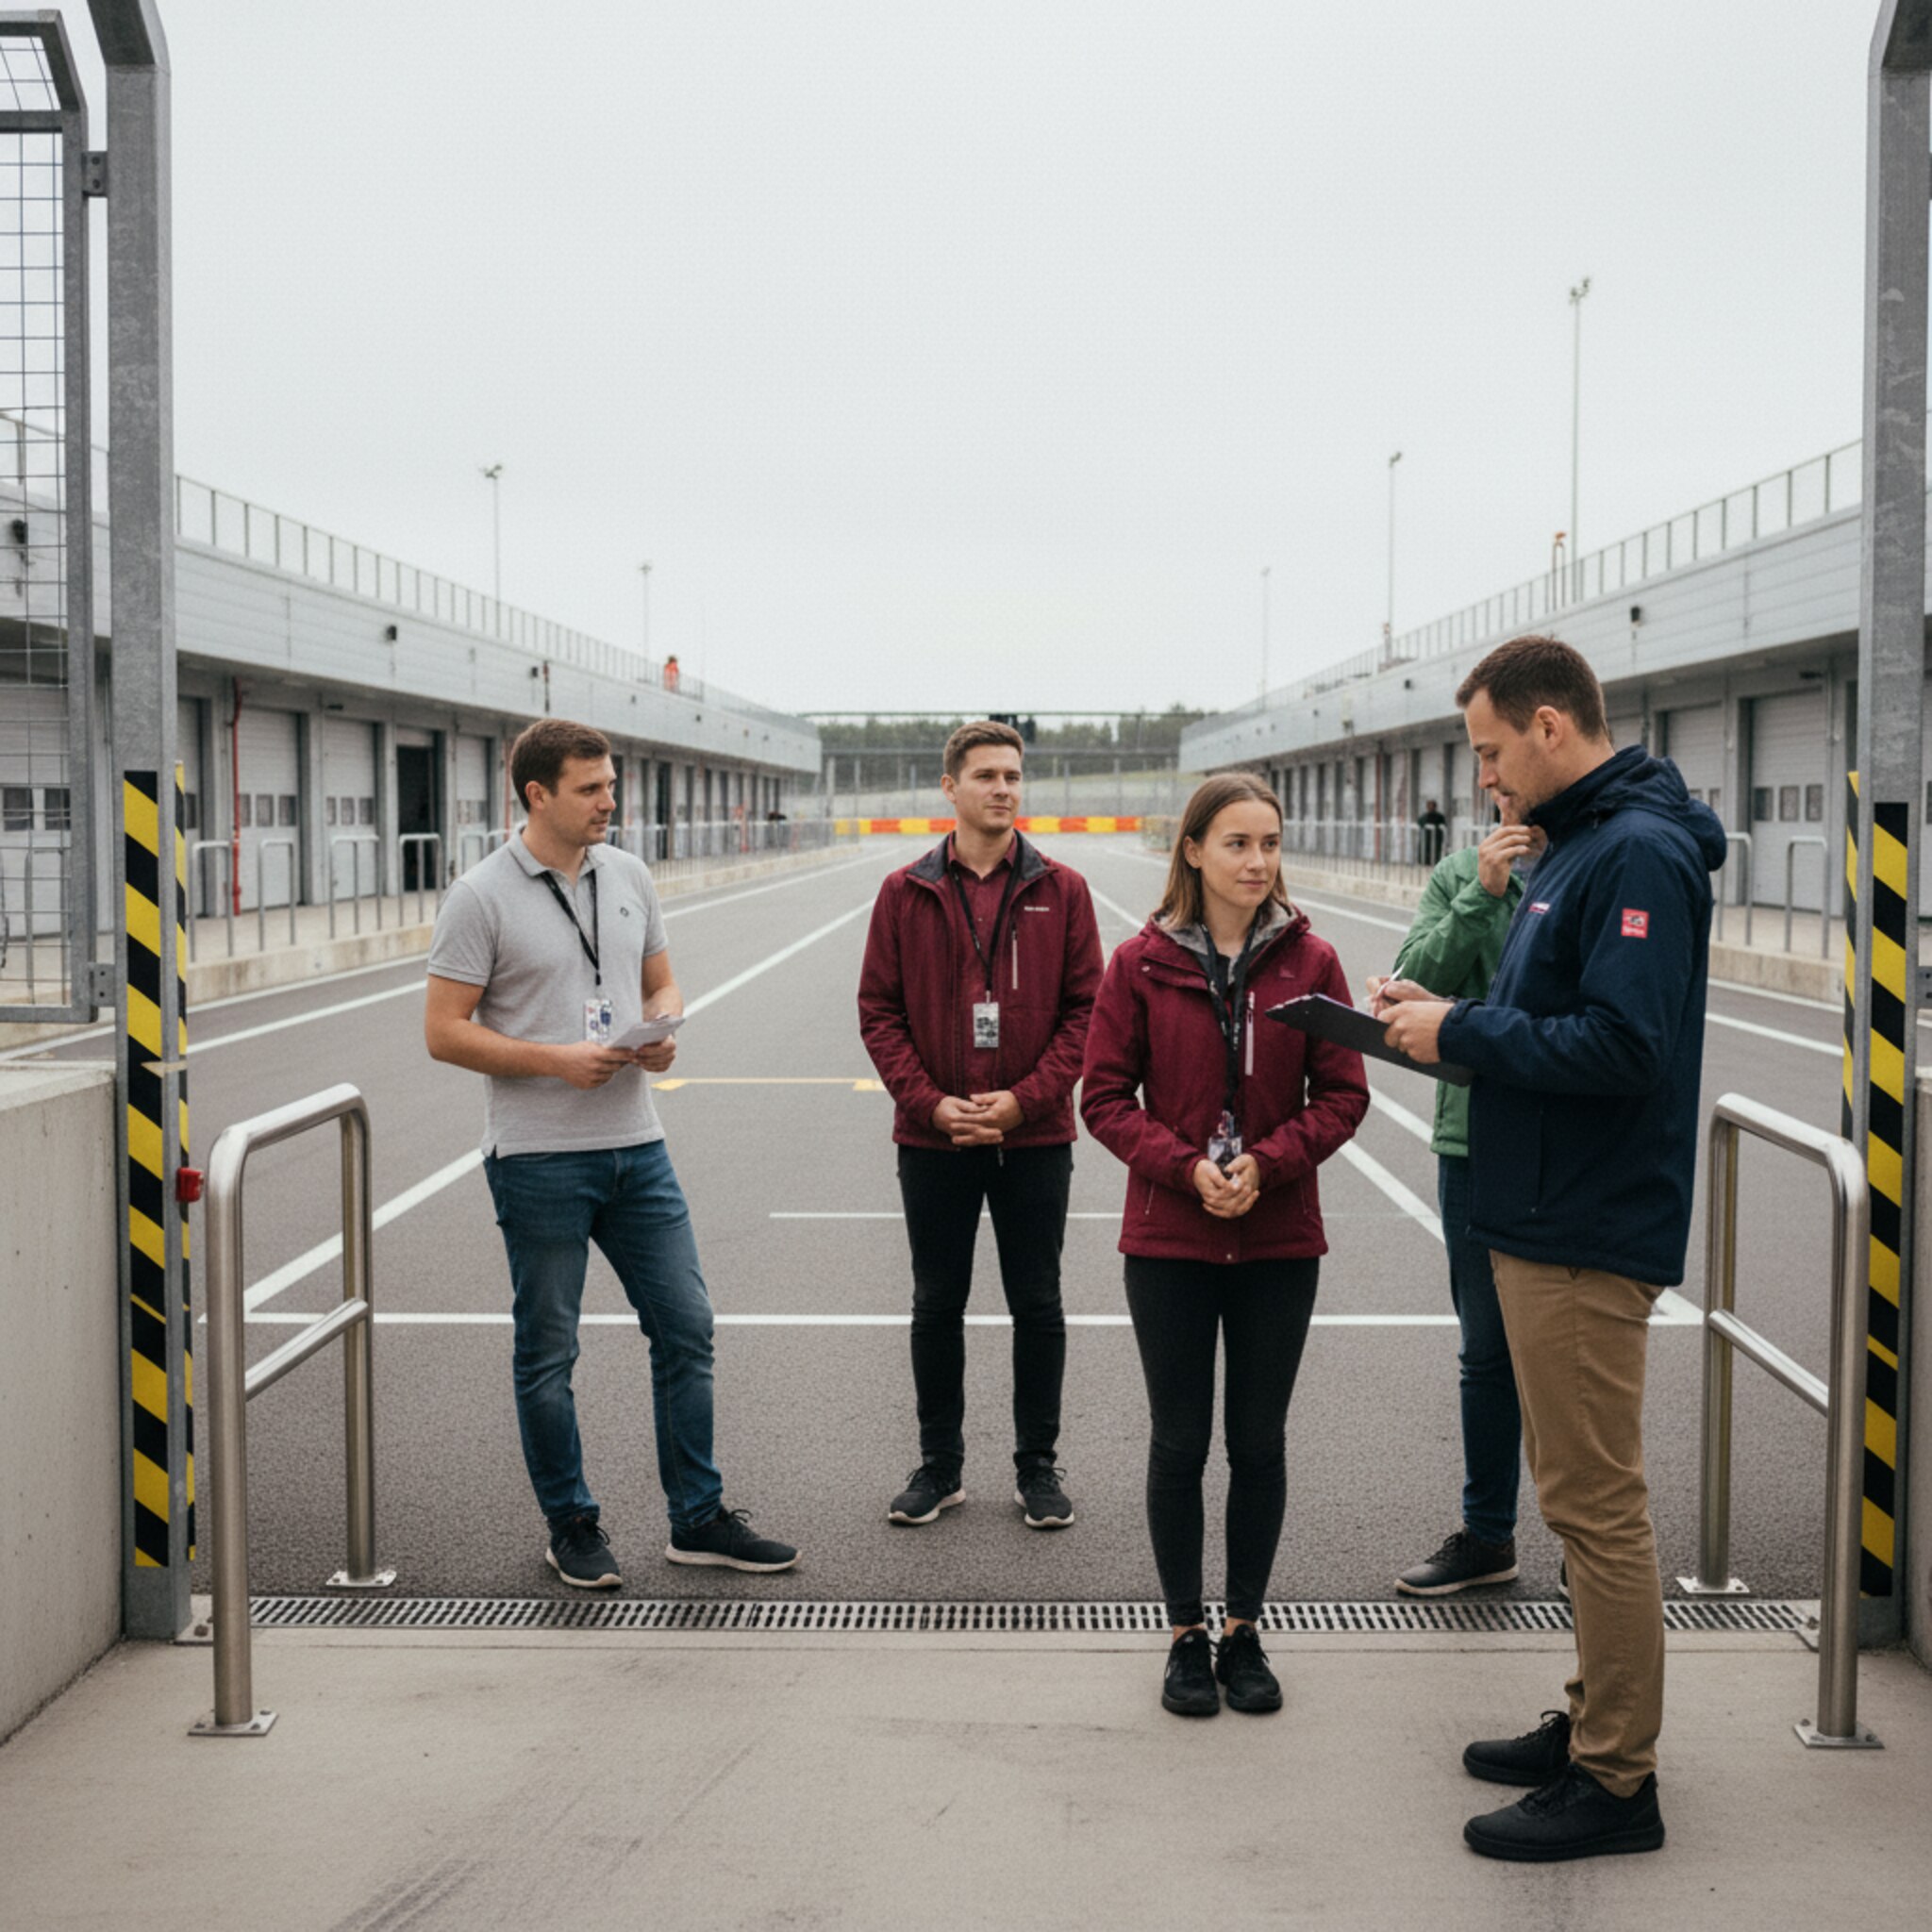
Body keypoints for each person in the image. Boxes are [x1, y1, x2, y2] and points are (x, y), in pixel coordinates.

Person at [1380, 636, 1724, 1862]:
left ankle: (1617, 1781)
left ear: (1547, 725)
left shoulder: (1631, 850)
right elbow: (1556, 1019)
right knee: (1580, 1500)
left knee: (1595, 1507)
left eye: (1486, 752)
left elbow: (1623, 1047)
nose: (1483, 779)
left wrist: (1457, 1030)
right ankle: (1590, 1726)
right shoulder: (1581, 845)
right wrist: (1439, 1024)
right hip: (1541, 1207)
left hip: (1585, 1219)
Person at [424, 718, 800, 1589]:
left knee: (686, 1328)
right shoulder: (479, 896)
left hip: (638, 1146)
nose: (609, 802)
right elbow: (443, 1033)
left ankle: (698, 1518)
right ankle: (572, 1523)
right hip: (538, 1157)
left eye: (612, 785)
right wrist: (557, 1061)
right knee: (549, 1353)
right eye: (591, 789)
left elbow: (660, 977)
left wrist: (664, 1026)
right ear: (538, 795)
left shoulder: (627, 873)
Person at [1081, 774, 1368, 1719]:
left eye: (1269, 843)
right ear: (1193, 849)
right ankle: (1181, 1633)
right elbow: (1103, 1096)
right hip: (1168, 1235)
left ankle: (1243, 1627)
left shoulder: (1311, 960)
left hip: (1278, 1235)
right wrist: (1182, 1166)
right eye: (1237, 843)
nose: (1256, 861)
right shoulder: (1139, 961)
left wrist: (1269, 1162)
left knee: (1257, 1440)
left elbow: (1342, 1094)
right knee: (1177, 1440)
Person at [858, 719, 1104, 1533]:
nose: (1004, 787)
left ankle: (1038, 1467)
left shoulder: (1062, 890)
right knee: (938, 1302)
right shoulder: (904, 892)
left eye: (1013, 774)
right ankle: (940, 1466)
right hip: (934, 1137)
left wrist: (1024, 1100)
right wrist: (929, 1102)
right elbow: (879, 1011)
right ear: (950, 788)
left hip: (1033, 1137)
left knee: (1038, 1303)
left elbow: (1085, 1013)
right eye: (988, 775)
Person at [1368, 815, 1542, 1596]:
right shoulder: (1461, 873)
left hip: (1562, 1143)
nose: (1492, 785)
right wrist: (1482, 893)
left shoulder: (1590, 863)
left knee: (1576, 1357)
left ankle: (1592, 1547)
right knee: (1485, 1352)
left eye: (1497, 758)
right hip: (1471, 1143)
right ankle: (1488, 1534)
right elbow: (1413, 974)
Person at [1416, 797, 1449, 867]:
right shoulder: (1424, 817)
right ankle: (1424, 862)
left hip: (1436, 839)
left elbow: (1443, 825)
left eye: (1432, 805)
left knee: (1435, 852)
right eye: (1429, 806)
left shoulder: (1439, 817)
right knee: (1425, 851)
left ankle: (1434, 861)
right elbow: (1419, 823)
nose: (1431, 807)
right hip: (1426, 838)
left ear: (1435, 806)